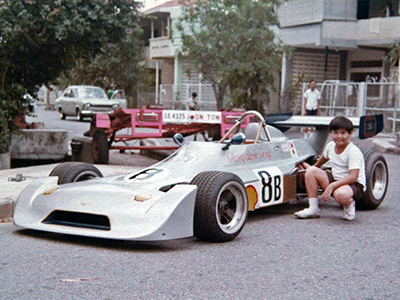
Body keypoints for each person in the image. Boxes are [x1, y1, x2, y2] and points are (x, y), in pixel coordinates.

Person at [294, 116, 366, 221]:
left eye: (343, 133)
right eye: (335, 133)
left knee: (340, 195)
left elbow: (353, 177)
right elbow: (319, 163)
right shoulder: (331, 146)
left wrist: (332, 186)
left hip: (353, 185)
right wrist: (306, 172)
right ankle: (313, 208)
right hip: (336, 179)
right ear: (330, 133)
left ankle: (349, 203)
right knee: (311, 171)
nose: (339, 136)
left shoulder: (353, 151)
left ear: (350, 133)